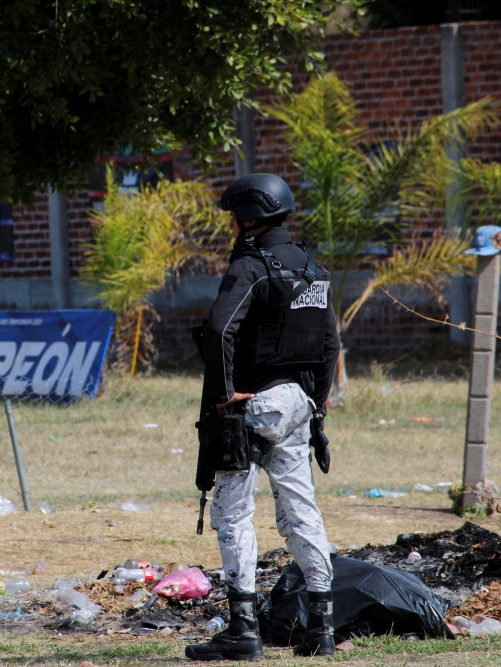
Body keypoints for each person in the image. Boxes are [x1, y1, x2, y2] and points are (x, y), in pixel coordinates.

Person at [186, 173, 340, 662]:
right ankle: (321, 627)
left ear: (250, 217)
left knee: (232, 512)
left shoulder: (252, 266)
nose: (233, 224)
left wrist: (223, 398)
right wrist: (315, 405)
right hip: (296, 404)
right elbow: (330, 344)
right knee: (300, 510)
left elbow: (219, 330)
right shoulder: (313, 269)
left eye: (235, 217)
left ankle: (241, 629)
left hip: (251, 408)